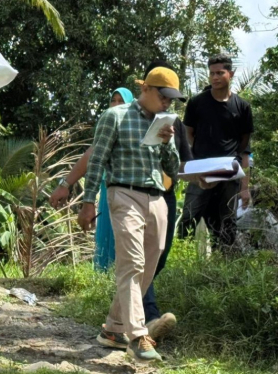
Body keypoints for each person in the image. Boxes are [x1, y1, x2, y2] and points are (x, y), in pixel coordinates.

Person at [78, 67, 184, 362]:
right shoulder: (115, 116)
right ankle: (138, 335)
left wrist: (167, 143)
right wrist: (88, 202)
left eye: (172, 100)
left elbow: (172, 169)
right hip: (123, 193)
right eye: (164, 97)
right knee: (132, 262)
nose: (167, 104)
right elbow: (97, 159)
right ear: (147, 89)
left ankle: (113, 328)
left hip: (156, 198)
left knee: (150, 262)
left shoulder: (165, 122)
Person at [49, 87, 134, 270]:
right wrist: (66, 184)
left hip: (135, 192)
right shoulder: (107, 127)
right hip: (108, 189)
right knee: (107, 238)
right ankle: (105, 283)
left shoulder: (137, 127)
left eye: (121, 101)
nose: (116, 105)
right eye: (114, 100)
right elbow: (91, 155)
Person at [179, 55, 253, 252]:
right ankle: (180, 259)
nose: (215, 77)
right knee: (189, 216)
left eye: (220, 73)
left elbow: (245, 146)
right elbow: (188, 133)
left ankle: (224, 265)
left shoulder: (242, 107)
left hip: (230, 171)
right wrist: (198, 159)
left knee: (226, 222)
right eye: (212, 73)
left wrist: (245, 187)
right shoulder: (197, 103)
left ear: (231, 73)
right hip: (201, 170)